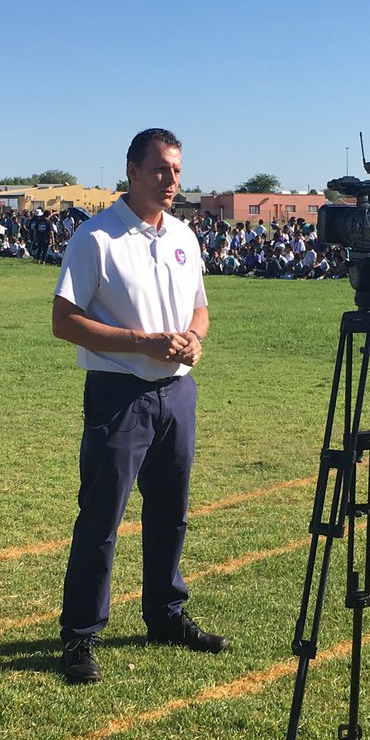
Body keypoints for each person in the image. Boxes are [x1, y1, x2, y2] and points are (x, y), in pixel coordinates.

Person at [51, 128, 227, 685]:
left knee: (171, 511)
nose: (172, 180)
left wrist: (194, 338)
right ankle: (81, 637)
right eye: (160, 169)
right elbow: (63, 320)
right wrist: (143, 342)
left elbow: (199, 307)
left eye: (176, 169)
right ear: (131, 170)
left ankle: (165, 615)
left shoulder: (183, 236)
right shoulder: (96, 237)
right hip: (118, 392)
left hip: (177, 392)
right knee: (103, 515)